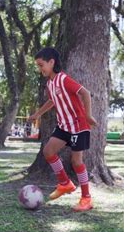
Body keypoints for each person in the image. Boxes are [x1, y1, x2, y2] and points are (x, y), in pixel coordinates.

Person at [28, 47, 97, 212]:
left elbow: (85, 93)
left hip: (78, 126)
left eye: (41, 65)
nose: (40, 69)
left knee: (76, 161)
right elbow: (52, 101)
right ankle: (65, 183)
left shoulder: (63, 79)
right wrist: (37, 114)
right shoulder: (50, 84)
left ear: (51, 62)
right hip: (64, 126)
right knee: (48, 151)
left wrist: (88, 116)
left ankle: (86, 199)